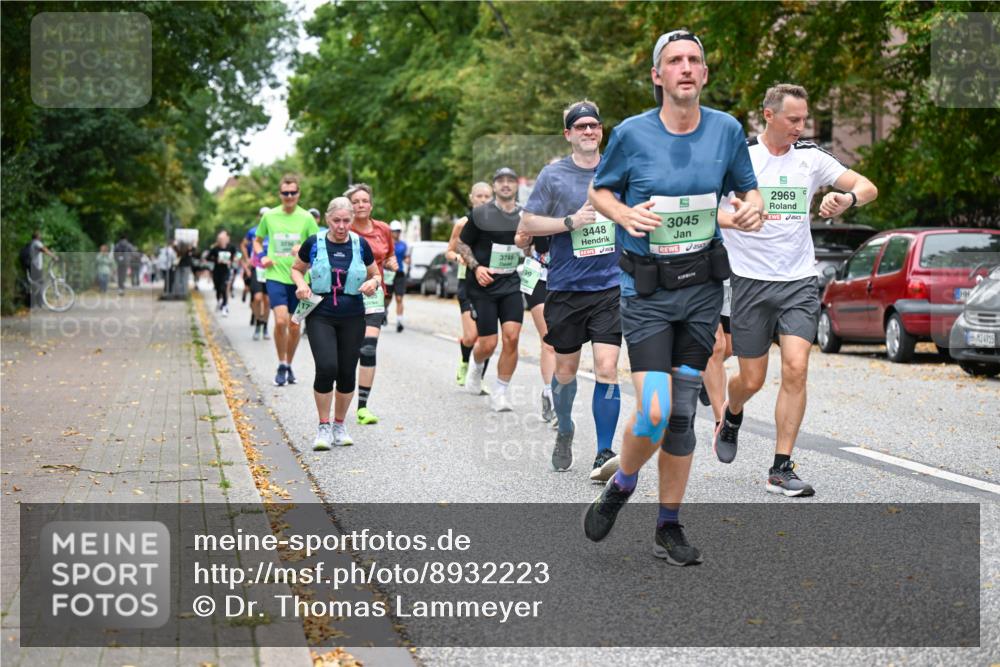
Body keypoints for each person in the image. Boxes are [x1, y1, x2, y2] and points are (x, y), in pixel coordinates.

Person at [585, 30, 763, 565]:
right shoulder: (632, 135)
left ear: (704, 75)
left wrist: (751, 207)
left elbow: (745, 189)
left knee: (682, 416)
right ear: (658, 76)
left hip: (702, 288)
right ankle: (622, 482)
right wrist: (623, 214)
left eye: (694, 61)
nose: (685, 68)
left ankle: (669, 527)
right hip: (647, 291)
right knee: (655, 413)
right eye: (674, 61)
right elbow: (600, 189)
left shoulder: (727, 130)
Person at [716, 83, 878, 496]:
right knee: (751, 378)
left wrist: (847, 198)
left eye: (804, 119)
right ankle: (732, 414)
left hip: (799, 281)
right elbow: (705, 208)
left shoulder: (810, 158)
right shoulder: (740, 159)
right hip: (750, 280)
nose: (800, 127)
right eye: (793, 119)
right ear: (768, 115)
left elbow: (866, 185)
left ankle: (781, 467)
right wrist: (736, 219)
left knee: (796, 367)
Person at [518, 100, 623, 480]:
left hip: (610, 285)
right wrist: (570, 221)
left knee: (608, 369)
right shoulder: (553, 175)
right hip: (565, 287)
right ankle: (564, 428)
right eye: (580, 127)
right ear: (568, 134)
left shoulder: (617, 170)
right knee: (565, 372)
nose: (588, 131)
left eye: (594, 125)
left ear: (601, 130)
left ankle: (604, 453)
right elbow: (528, 222)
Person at [291, 197, 382, 451]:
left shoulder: (360, 244)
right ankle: (323, 427)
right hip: (321, 313)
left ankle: (339, 425)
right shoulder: (314, 243)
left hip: (353, 315)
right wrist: (301, 284)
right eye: (336, 221)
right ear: (327, 220)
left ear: (352, 220)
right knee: (326, 367)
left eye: (346, 220)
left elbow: (376, 273)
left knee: (345, 372)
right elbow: (297, 268)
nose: (341, 226)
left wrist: (372, 283)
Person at [457, 167, 530, 412]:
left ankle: (501, 391)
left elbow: (532, 245)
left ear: (516, 186)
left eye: (511, 180)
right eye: (501, 181)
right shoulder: (480, 214)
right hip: (483, 286)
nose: (506, 184)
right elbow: (462, 244)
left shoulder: (525, 214)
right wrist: (477, 268)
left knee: (512, 337)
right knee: (488, 343)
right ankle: (476, 367)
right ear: (495, 186)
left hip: (510, 284)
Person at [254, 175, 320, 386]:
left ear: (298, 194)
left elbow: (318, 246)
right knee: (281, 320)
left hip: (301, 279)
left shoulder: (307, 218)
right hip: (275, 275)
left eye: (293, 193)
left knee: (294, 326)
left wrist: (303, 249)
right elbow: (257, 241)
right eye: (285, 193)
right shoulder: (270, 216)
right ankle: (281, 363)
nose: (289, 196)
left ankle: (288, 365)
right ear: (280, 194)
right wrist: (261, 256)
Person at [346, 183, 399, 425]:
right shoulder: (342, 228)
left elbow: (389, 255)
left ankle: (362, 407)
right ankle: (339, 403)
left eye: (364, 201)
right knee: (347, 352)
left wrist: (390, 264)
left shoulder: (383, 229)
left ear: (371, 204)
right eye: (355, 201)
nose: (360, 205)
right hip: (346, 294)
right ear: (350, 206)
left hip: (374, 293)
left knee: (368, 347)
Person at [446, 182, 494, 392]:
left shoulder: (497, 223)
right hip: (467, 283)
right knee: (471, 336)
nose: (483, 200)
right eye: (479, 196)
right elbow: (449, 250)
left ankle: (478, 378)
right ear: (471, 198)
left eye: (487, 196)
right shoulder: (462, 223)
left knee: (487, 336)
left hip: (488, 283)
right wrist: (458, 256)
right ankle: (465, 361)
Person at [515, 235, 556, 424]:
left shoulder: (578, 208)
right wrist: (524, 239)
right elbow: (520, 240)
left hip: (566, 276)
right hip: (537, 276)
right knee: (549, 340)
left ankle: (550, 394)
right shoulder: (536, 207)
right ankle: (553, 396)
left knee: (565, 342)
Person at [243, 207, 272, 341]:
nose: (264, 218)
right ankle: (258, 322)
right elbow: (243, 245)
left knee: (267, 301)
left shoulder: (274, 231)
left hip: (271, 269)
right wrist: (247, 258)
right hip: (257, 268)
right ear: (259, 217)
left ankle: (264, 326)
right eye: (262, 215)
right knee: (257, 298)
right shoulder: (253, 231)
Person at [206, 230, 239, 316]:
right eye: (220, 238)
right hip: (217, 270)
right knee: (218, 288)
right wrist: (216, 260)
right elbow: (207, 257)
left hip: (226, 270)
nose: (222, 240)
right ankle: (219, 301)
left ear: (227, 239)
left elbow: (237, 256)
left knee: (224, 288)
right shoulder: (215, 248)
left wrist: (232, 260)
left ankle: (225, 306)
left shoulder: (231, 247)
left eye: (223, 238)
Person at [389, 220, 410, 332]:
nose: (397, 233)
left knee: (399, 298)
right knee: (387, 298)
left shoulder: (403, 245)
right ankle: (385, 311)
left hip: (400, 273)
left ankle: (399, 321)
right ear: (390, 232)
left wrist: (407, 260)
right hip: (388, 273)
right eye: (395, 231)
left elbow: (406, 257)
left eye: (398, 231)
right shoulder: (386, 243)